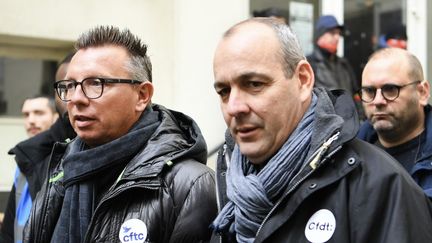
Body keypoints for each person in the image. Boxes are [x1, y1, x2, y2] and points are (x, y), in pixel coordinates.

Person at [211, 17, 432, 242]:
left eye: (254, 84)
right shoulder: (224, 181)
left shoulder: (383, 186)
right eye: (224, 91)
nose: (234, 107)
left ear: (303, 80)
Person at [22, 26, 216, 243]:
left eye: (95, 83)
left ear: (142, 95)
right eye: (70, 85)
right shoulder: (60, 171)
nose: (76, 98)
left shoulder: (188, 184)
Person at [0, 54, 77, 243]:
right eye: (26, 114)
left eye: (38, 113)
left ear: (53, 116)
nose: (31, 120)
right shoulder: (26, 157)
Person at [357, 47, 432, 198]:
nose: (378, 101)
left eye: (390, 89)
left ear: (422, 92)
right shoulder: (345, 156)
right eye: (369, 91)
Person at [306, 15, 364, 120]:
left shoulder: (344, 64)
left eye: (338, 33)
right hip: (326, 126)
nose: (337, 37)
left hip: (350, 124)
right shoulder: (309, 64)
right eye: (332, 33)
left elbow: (356, 94)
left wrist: (360, 119)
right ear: (320, 35)